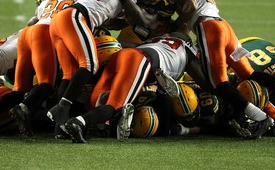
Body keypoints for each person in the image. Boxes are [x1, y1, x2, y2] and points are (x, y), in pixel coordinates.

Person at [152, 0, 275, 139]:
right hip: (224, 26)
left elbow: (191, 7)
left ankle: (261, 117)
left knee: (218, 83)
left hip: (209, 28)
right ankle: (272, 114)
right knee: (249, 73)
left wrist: (172, 26)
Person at [46, 0, 158, 132]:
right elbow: (141, 19)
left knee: (69, 74)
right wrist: (154, 17)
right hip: (75, 18)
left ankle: (59, 127)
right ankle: (61, 108)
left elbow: (105, 18)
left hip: (60, 20)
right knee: (90, 65)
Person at [59, 33, 207, 143]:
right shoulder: (191, 54)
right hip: (142, 61)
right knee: (115, 105)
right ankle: (78, 123)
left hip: (123, 54)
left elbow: (128, 44)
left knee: (95, 100)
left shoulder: (167, 40)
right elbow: (208, 84)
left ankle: (78, 125)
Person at [0, 0, 86, 136]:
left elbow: (33, 20)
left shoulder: (49, 1)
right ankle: (23, 108)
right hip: (44, 35)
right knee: (47, 84)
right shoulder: (78, 3)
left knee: (20, 89)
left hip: (26, 34)